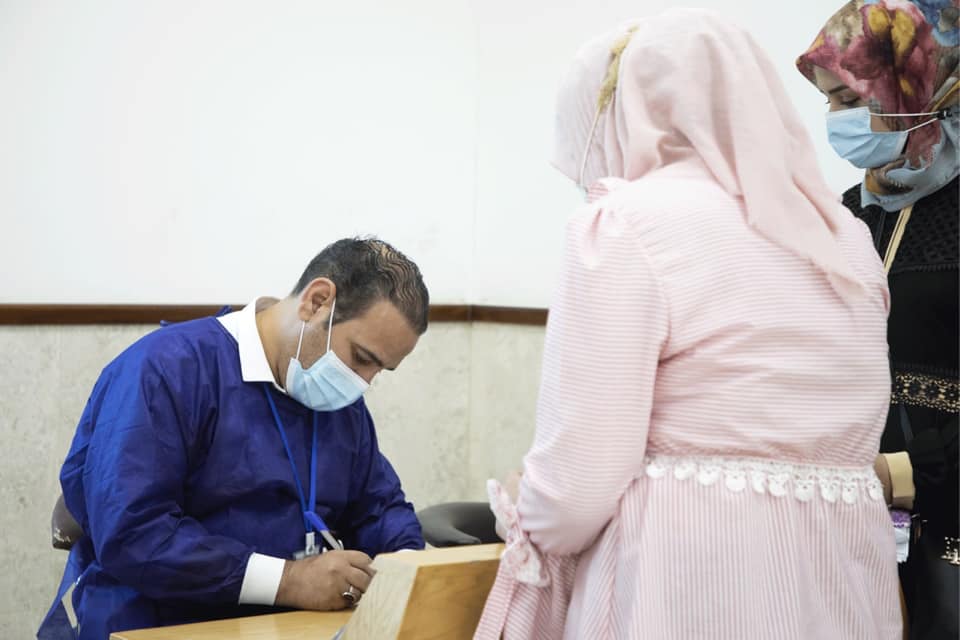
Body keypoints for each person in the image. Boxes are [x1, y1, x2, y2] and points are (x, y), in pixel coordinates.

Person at [474, 10, 901, 639]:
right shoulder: (847, 239)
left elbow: (578, 486)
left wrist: (527, 508)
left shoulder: (627, 224)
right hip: (839, 581)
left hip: (686, 578)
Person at [37, 237, 429, 639]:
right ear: (316, 302)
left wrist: (409, 569)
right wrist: (289, 580)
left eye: (379, 370)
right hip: (154, 621)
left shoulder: (337, 402)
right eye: (362, 358)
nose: (362, 382)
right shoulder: (166, 370)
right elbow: (136, 533)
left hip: (285, 627)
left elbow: (378, 507)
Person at [797, 1, 959, 637]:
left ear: (921, 87)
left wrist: (903, 472)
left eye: (849, 100)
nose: (836, 121)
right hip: (860, 523)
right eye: (829, 102)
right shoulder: (848, 215)